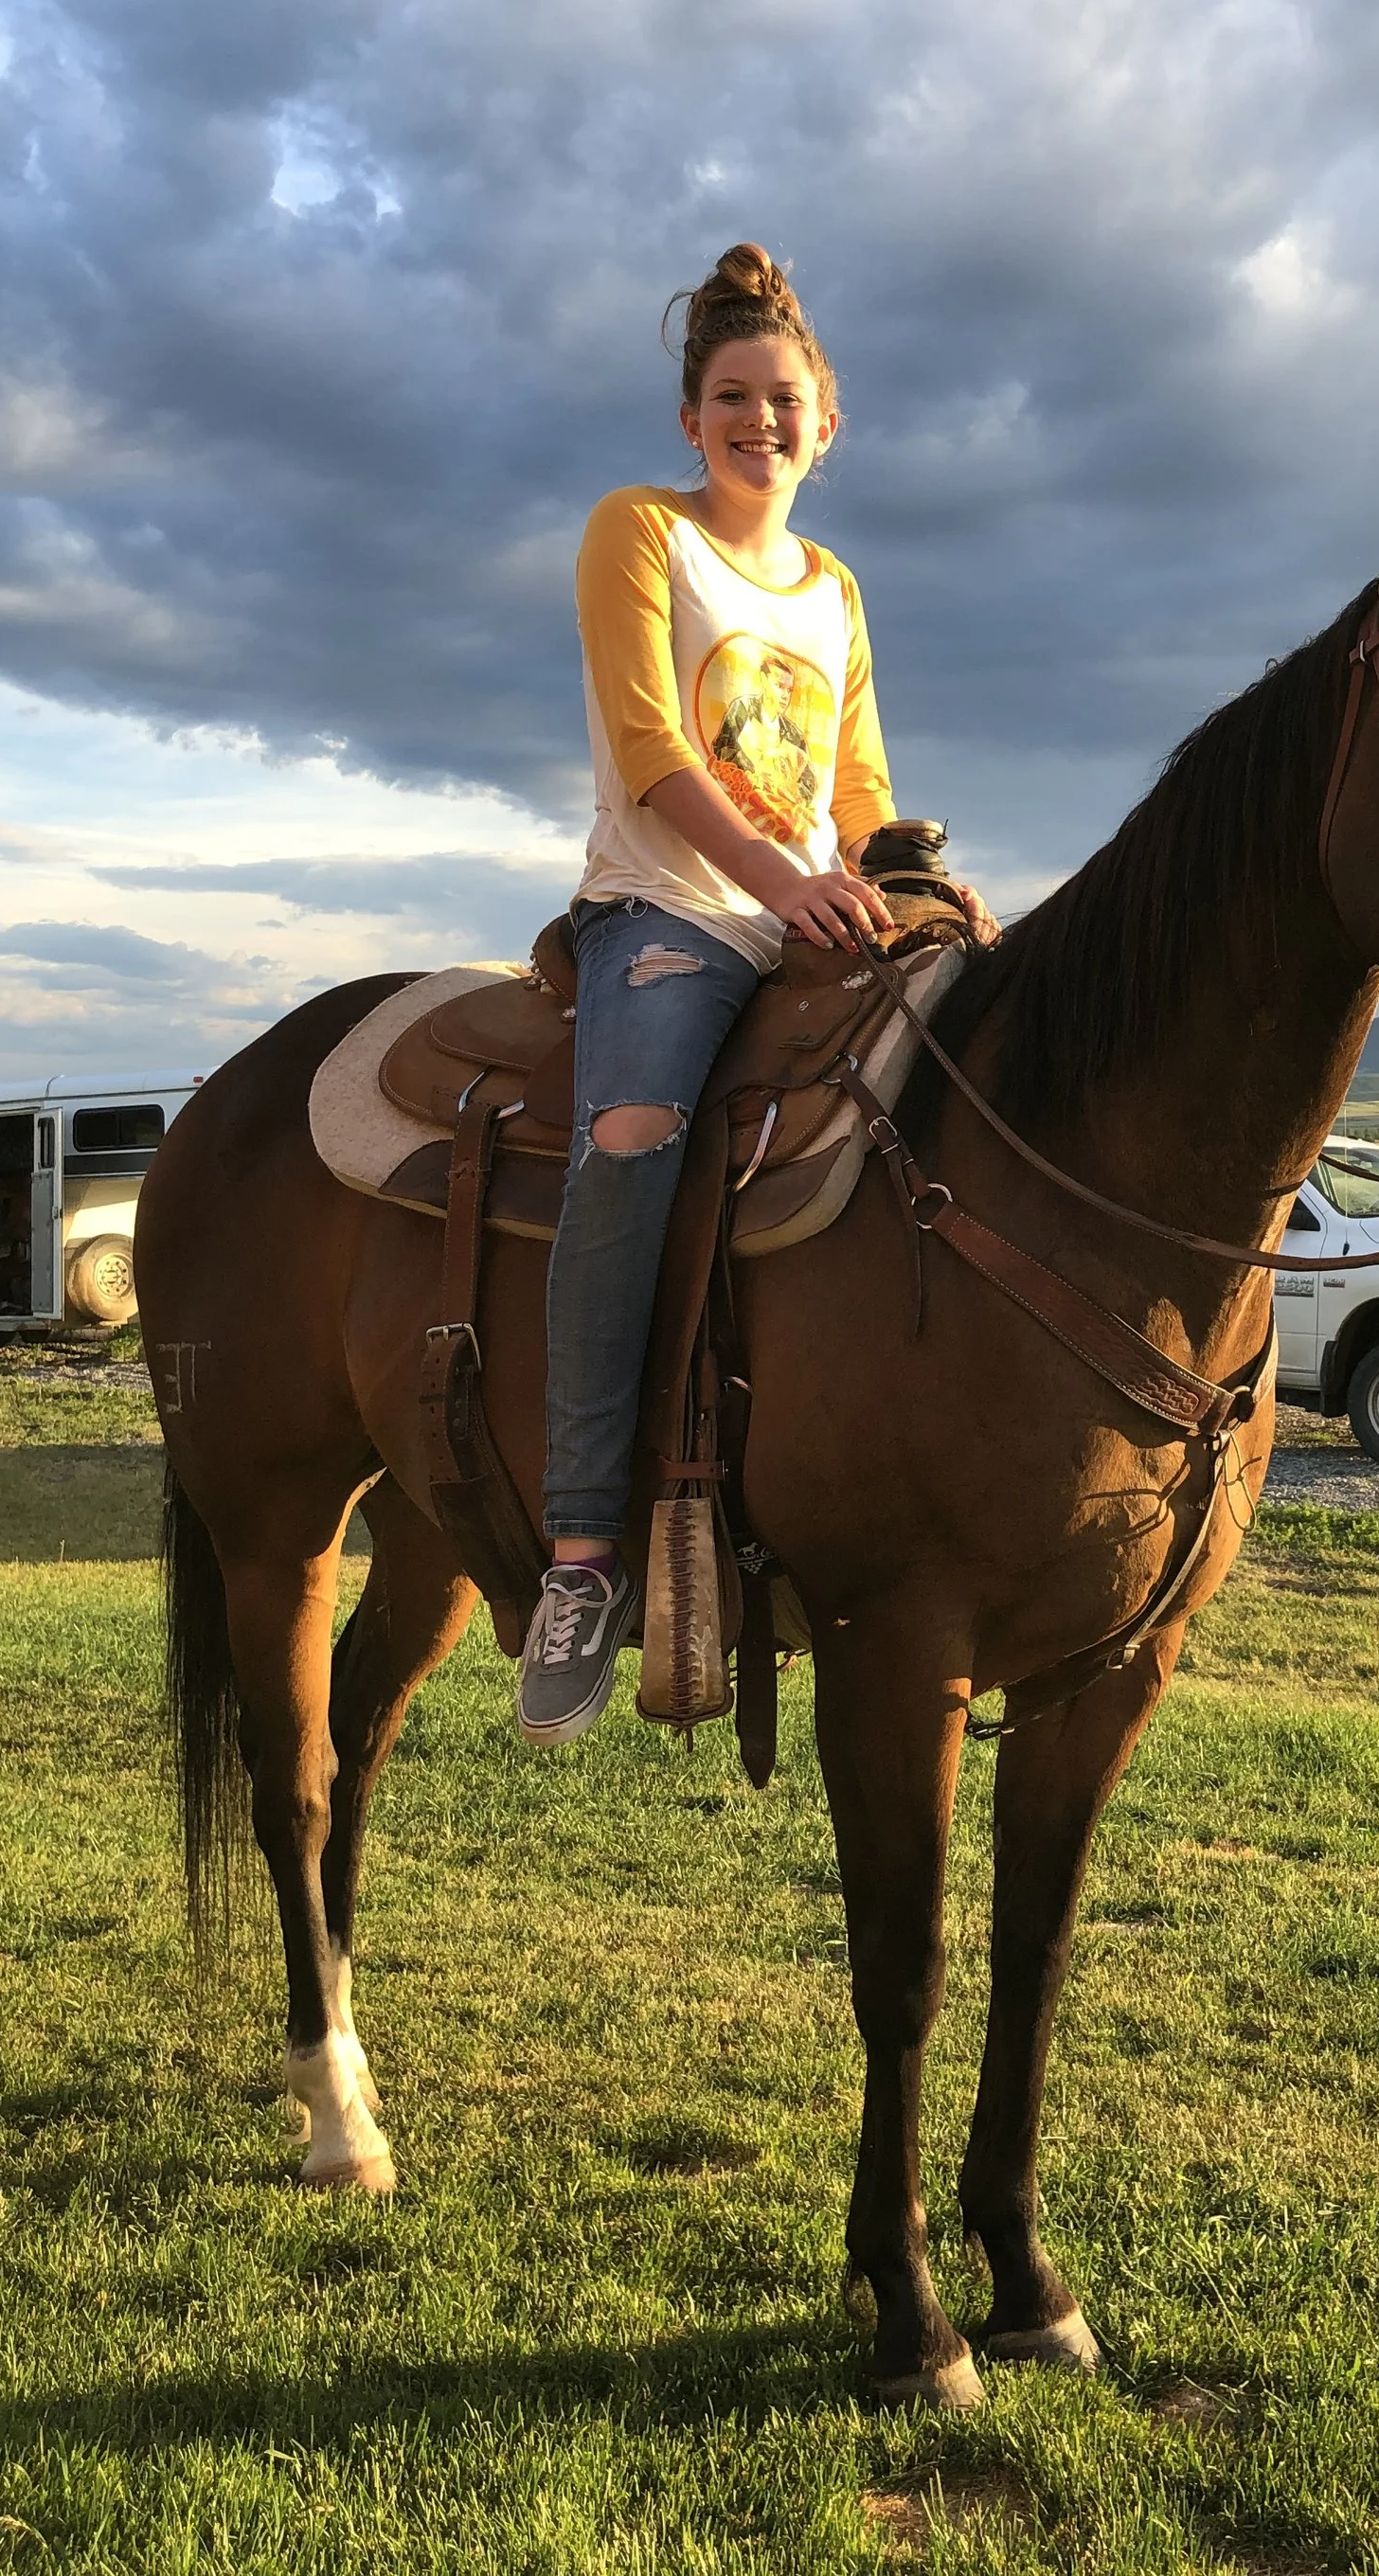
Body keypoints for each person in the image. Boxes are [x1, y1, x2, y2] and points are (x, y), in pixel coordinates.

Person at [518, 243, 897, 1746]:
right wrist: (779, 876)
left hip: (811, 922)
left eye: (783, 399)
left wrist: (898, 881)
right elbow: (652, 750)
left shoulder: (836, 587)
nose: (760, 421)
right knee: (629, 1138)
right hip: (667, 911)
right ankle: (584, 1548)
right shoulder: (640, 535)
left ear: (827, 422)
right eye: (731, 398)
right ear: (692, 420)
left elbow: (856, 790)